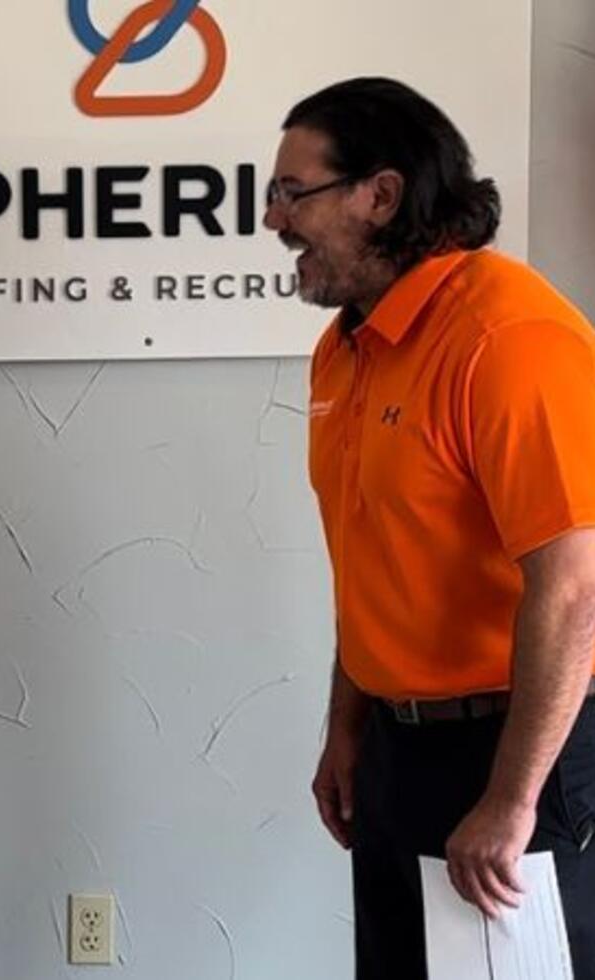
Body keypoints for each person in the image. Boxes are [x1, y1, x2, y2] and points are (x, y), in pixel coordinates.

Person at [265, 77, 595, 977]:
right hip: (393, 753)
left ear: (379, 194)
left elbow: (574, 587)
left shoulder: (508, 336)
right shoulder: (345, 346)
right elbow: (371, 557)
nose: (272, 219)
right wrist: (347, 727)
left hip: (514, 751)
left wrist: (511, 798)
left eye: (292, 193)